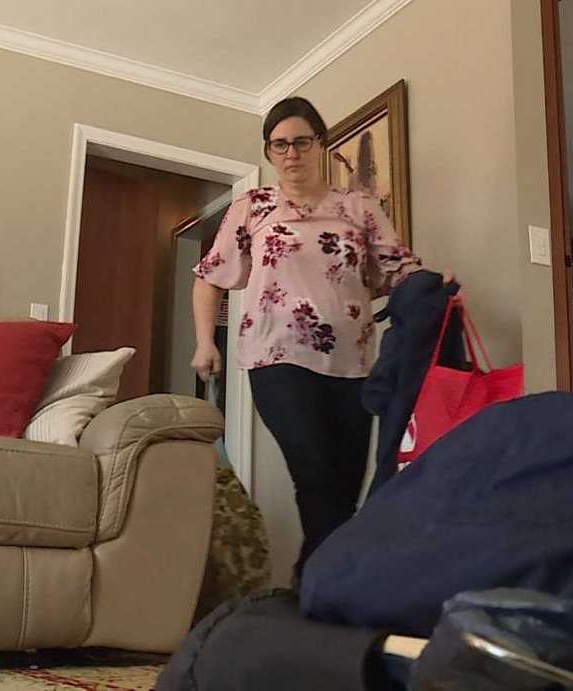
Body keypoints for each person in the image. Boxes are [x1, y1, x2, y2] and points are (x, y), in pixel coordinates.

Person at [190, 97, 453, 577]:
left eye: (301, 141)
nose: (291, 153)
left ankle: (313, 583)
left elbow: (397, 269)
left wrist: (432, 284)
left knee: (346, 485)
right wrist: (205, 342)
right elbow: (209, 276)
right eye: (279, 145)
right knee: (312, 470)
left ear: (321, 145)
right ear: (270, 153)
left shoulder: (358, 206)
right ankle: (328, 584)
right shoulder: (254, 207)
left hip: (353, 364)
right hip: (278, 358)